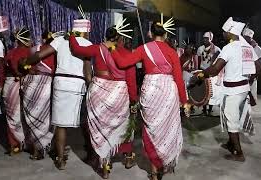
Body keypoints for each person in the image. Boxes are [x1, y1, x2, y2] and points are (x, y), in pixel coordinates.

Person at [109, 15, 190, 180]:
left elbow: (123, 63)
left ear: (151, 33)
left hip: (151, 92)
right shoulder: (172, 52)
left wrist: (112, 48)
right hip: (168, 92)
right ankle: (163, 163)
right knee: (165, 130)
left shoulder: (143, 49)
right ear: (165, 35)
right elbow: (179, 79)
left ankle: (154, 171)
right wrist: (185, 102)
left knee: (151, 130)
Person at [21, 16, 93, 169]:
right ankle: (91, 154)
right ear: (85, 31)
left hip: (60, 83)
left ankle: (60, 160)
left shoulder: (60, 40)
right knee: (84, 121)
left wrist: (26, 62)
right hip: (78, 84)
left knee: (61, 125)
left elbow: (40, 55)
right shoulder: (87, 44)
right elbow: (87, 71)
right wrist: (91, 86)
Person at [69, 19, 138, 179]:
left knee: (102, 128)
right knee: (124, 127)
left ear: (105, 36)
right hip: (119, 94)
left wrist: (72, 35)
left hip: (98, 92)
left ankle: (105, 167)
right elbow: (131, 81)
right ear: (120, 37)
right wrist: (133, 100)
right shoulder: (127, 54)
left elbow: (77, 48)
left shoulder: (97, 49)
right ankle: (128, 159)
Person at [197, 17, 261, 162]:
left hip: (233, 91)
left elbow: (214, 69)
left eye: (224, 32)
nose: (223, 34)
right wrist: (250, 79)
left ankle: (238, 153)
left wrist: (202, 75)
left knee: (231, 120)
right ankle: (230, 142)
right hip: (243, 89)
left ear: (231, 33)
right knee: (231, 116)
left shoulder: (229, 48)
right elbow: (259, 67)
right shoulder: (247, 47)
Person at [20, 31, 55, 160]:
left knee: (32, 118)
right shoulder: (56, 52)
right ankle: (44, 147)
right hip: (46, 84)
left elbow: (23, 64)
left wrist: (26, 65)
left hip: (31, 83)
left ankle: (36, 150)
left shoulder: (34, 49)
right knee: (45, 118)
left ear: (43, 38)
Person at [3, 28, 31, 155]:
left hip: (10, 84)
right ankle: (28, 142)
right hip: (25, 82)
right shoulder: (29, 52)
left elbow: (2, 71)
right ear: (25, 39)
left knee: (12, 116)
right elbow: (17, 68)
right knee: (27, 114)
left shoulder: (10, 53)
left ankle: (15, 144)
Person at [197, 32, 221, 115]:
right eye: (204, 38)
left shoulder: (217, 49)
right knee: (203, 91)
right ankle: (204, 109)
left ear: (211, 39)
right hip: (203, 71)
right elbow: (199, 61)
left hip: (212, 73)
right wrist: (198, 71)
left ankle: (210, 110)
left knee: (211, 91)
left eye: (207, 38)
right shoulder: (200, 49)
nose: (205, 40)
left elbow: (219, 62)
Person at [243, 28, 261, 105]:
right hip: (242, 77)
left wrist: (253, 77)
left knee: (249, 101)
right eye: (244, 37)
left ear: (251, 38)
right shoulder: (242, 47)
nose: (245, 39)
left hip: (252, 78)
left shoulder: (257, 49)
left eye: (247, 37)